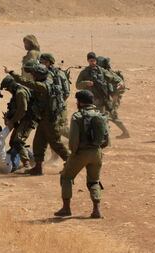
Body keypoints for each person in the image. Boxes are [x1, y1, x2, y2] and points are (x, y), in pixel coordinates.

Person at [4, 62, 69, 176]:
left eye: (35, 74)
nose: (33, 76)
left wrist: (11, 72)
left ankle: (70, 163)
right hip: (43, 119)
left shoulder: (43, 86)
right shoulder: (48, 77)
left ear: (39, 76)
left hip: (50, 120)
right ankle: (38, 168)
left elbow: (25, 82)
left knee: (56, 143)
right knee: (38, 143)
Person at [54, 90, 108, 219]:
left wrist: (73, 154)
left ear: (80, 102)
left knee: (66, 177)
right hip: (96, 153)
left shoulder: (77, 116)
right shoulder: (100, 115)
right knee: (94, 181)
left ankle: (66, 208)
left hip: (81, 153)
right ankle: (96, 210)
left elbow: (73, 140)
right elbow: (106, 140)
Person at [76, 52, 129, 139]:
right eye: (90, 61)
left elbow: (112, 78)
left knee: (110, 116)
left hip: (105, 98)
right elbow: (78, 85)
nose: (92, 62)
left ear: (96, 61)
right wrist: (86, 83)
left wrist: (120, 82)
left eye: (93, 61)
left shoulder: (102, 71)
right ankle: (101, 138)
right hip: (93, 100)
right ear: (87, 61)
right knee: (97, 119)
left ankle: (105, 138)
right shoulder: (84, 72)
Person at [0, 75, 36, 171]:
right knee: (13, 142)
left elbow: (22, 110)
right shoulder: (17, 92)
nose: (8, 90)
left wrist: (12, 121)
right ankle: (32, 158)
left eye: (7, 88)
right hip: (23, 119)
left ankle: (27, 164)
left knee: (18, 141)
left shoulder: (20, 93)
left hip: (28, 120)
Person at [96, 56, 130, 139]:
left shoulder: (108, 74)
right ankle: (124, 132)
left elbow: (116, 90)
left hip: (112, 99)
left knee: (111, 116)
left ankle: (122, 133)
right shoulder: (103, 73)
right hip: (107, 99)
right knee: (108, 116)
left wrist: (113, 102)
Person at [40, 53, 70, 138]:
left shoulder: (58, 74)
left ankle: (80, 140)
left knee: (60, 129)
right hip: (47, 107)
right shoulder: (41, 73)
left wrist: (58, 102)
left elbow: (66, 92)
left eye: (44, 62)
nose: (42, 64)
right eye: (41, 62)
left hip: (59, 107)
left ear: (49, 63)